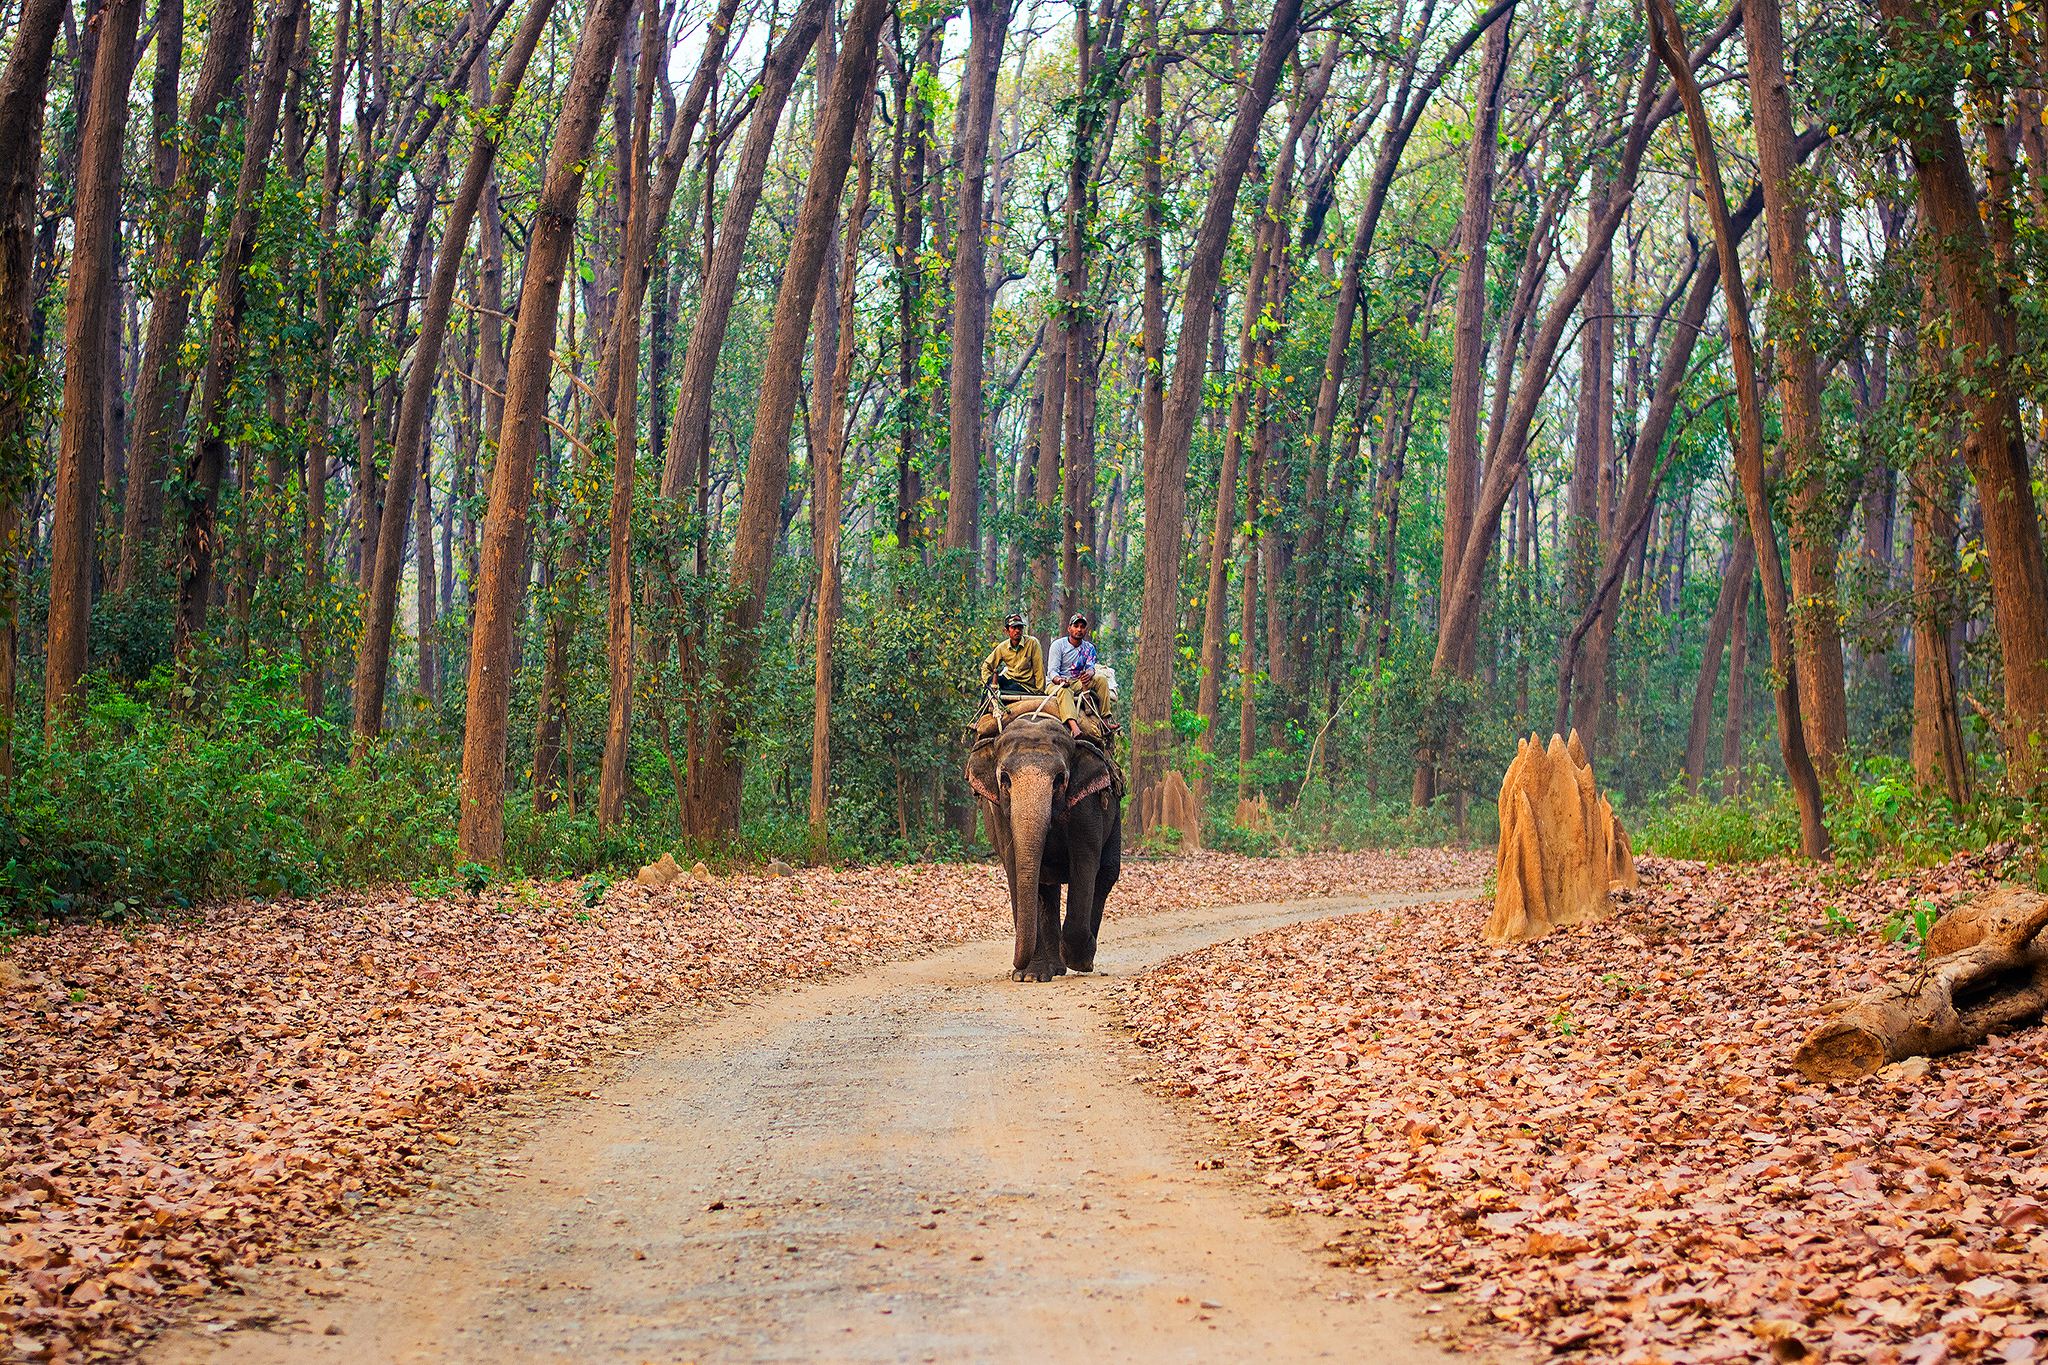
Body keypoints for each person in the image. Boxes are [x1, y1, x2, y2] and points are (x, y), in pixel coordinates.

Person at [1049, 613, 1112, 719]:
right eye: (1076, 626)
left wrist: (1088, 674)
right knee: (1064, 691)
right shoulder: (1058, 645)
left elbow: (1090, 667)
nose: (1079, 629)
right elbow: (1052, 671)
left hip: (1078, 682)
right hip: (1058, 683)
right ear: (1069, 628)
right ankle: (1072, 723)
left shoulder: (1089, 648)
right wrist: (1060, 680)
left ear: (1086, 630)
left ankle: (1105, 720)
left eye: (1082, 627)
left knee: (1101, 680)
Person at [981, 613, 1046, 698]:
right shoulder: (1002, 647)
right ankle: (982, 709)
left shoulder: (1032, 643)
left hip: (1025, 686)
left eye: (1020, 627)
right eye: (1014, 628)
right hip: (1009, 680)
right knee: (991, 680)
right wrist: (990, 682)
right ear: (1007, 631)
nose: (1017, 631)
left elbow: (1039, 668)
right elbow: (987, 666)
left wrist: (1040, 692)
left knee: (1005, 690)